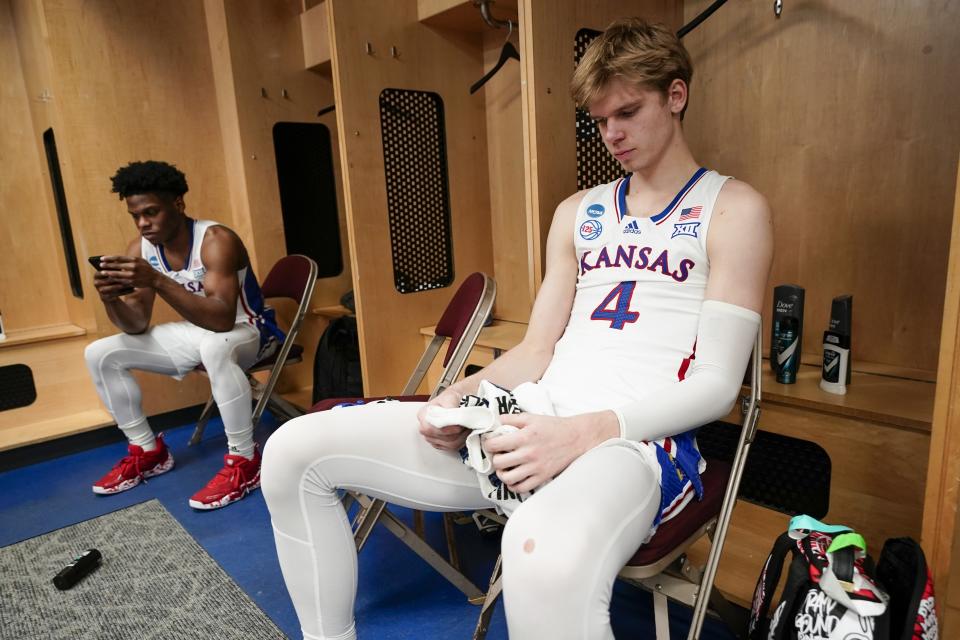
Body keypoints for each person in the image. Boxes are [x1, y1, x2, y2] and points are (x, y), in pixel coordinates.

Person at [261, 16, 772, 639]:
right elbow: (536, 349)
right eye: (600, 119)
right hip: (533, 412)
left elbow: (719, 388)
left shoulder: (733, 208)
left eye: (628, 113)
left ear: (676, 95)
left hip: (636, 444)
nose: (612, 134)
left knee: (540, 553)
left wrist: (581, 434)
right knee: (293, 451)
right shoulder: (577, 213)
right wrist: (459, 395)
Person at [85, 160, 283, 510]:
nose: (144, 223)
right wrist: (110, 299)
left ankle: (245, 460)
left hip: (249, 330)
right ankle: (148, 451)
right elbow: (136, 324)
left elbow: (223, 320)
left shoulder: (217, 240)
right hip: (201, 332)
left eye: (151, 212)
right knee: (100, 353)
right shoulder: (141, 248)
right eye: (136, 215)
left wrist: (158, 281)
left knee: (215, 346)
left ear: (178, 204)